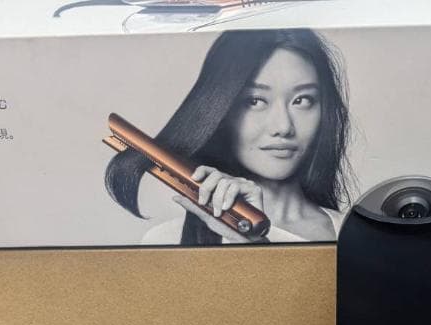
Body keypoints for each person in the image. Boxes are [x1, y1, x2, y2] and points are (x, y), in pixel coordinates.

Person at [105, 29, 352, 245]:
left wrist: (258, 247)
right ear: (221, 110)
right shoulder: (166, 240)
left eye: (302, 100)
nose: (283, 126)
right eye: (255, 101)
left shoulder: (352, 235)